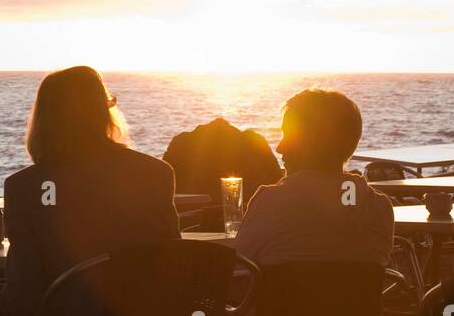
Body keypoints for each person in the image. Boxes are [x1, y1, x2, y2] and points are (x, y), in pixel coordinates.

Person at [1, 66, 179, 316]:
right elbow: (176, 259)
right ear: (104, 113)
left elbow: (23, 292)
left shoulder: (22, 186)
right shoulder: (156, 172)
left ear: (44, 119)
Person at [233, 88, 394, 269]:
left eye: (288, 135)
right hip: (349, 297)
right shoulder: (379, 209)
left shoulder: (270, 203)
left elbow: (237, 274)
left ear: (310, 143)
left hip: (284, 298)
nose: (279, 147)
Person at [164, 116, 281, 204]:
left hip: (191, 220)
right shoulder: (252, 142)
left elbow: (165, 187)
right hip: (249, 218)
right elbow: (278, 182)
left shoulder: (182, 143)